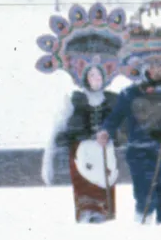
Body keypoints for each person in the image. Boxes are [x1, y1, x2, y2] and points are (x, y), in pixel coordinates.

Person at [103, 59, 161, 226]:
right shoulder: (130, 93)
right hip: (141, 153)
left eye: (160, 64)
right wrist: (105, 132)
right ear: (145, 67)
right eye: (152, 65)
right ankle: (142, 230)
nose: (157, 69)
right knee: (145, 199)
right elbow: (114, 118)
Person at [42, 68, 117, 223]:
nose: (96, 79)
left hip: (104, 146)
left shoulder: (111, 100)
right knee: (83, 166)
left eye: (98, 75)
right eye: (92, 75)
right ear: (86, 79)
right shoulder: (77, 100)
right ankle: (87, 209)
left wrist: (109, 134)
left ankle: (104, 209)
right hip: (83, 148)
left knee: (105, 172)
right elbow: (70, 125)